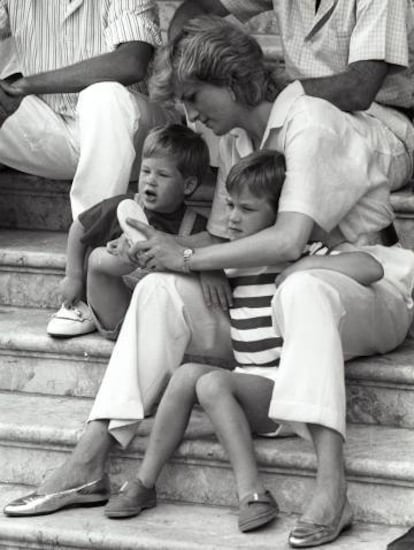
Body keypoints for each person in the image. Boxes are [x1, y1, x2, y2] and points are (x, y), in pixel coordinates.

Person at [4, 17, 414, 549]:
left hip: (361, 284)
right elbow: (221, 239)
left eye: (197, 97)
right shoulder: (234, 138)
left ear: (237, 84)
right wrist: (184, 256)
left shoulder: (312, 121)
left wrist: (193, 254)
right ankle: (91, 454)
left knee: (300, 288)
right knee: (156, 288)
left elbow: (289, 241)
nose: (192, 115)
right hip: (267, 295)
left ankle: (332, 489)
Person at [102, 150, 385, 539]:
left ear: (280, 214)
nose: (232, 218)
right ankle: (144, 482)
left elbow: (373, 268)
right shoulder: (232, 260)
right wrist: (195, 264)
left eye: (247, 210)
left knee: (212, 383)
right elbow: (173, 261)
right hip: (247, 385)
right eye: (230, 205)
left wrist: (301, 266)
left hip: (284, 394)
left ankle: (252, 491)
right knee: (185, 376)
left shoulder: (303, 252)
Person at [169, 0, 414, 195]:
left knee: (263, 131)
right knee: (241, 131)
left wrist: (279, 97)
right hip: (299, 118)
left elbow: (359, 89)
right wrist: (179, 61)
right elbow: (199, 6)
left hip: (382, 126)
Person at [0, 0, 176, 218]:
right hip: (52, 133)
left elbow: (131, 63)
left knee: (103, 95)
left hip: (128, 136)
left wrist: (27, 85)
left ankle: (90, 236)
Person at [47, 124, 209, 339]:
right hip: (118, 310)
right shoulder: (123, 207)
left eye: (162, 174)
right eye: (146, 171)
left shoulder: (196, 225)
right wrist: (73, 276)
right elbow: (79, 227)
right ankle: (128, 258)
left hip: (159, 318)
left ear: (187, 186)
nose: (150, 179)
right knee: (101, 257)